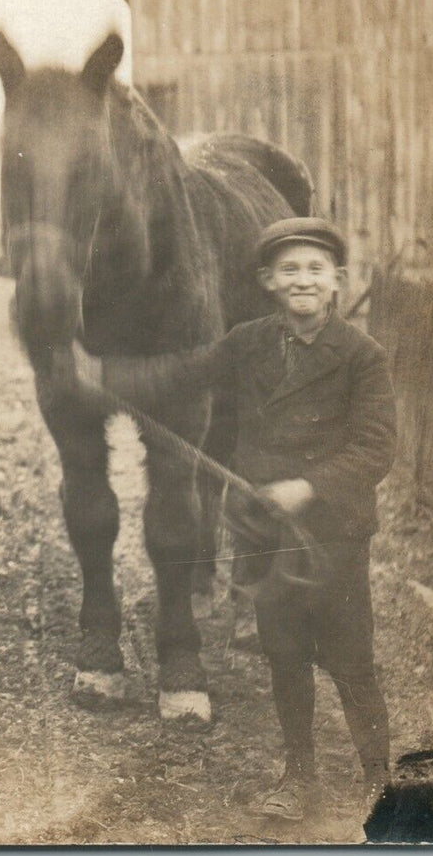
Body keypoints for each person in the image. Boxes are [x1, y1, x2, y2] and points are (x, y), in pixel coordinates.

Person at [70, 217, 396, 821]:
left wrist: (307, 488)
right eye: (290, 270)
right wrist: (105, 376)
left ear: (338, 281)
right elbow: (183, 371)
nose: (304, 281)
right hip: (262, 528)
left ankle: (381, 777)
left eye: (316, 270)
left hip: (334, 531)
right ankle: (299, 777)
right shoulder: (247, 342)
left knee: (351, 657)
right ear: (269, 281)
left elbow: (377, 448)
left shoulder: (361, 355)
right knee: (285, 653)